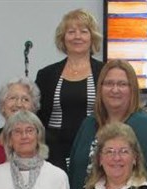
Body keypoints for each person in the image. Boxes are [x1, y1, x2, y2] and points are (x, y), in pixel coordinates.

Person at [68, 59, 147, 189]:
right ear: (100, 88)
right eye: (109, 83)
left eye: (122, 84)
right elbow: (75, 172)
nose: (115, 90)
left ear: (132, 89)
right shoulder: (89, 124)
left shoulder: (145, 127)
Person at [36, 8, 104, 172]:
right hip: (53, 150)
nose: (77, 36)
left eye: (83, 31)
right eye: (71, 32)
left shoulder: (104, 72)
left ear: (92, 37)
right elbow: (38, 115)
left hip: (94, 147)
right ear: (63, 38)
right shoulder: (46, 74)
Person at [0, 77, 40, 171]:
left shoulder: (48, 141)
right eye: (12, 98)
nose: (18, 104)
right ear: (2, 106)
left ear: (33, 108)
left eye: (25, 99)